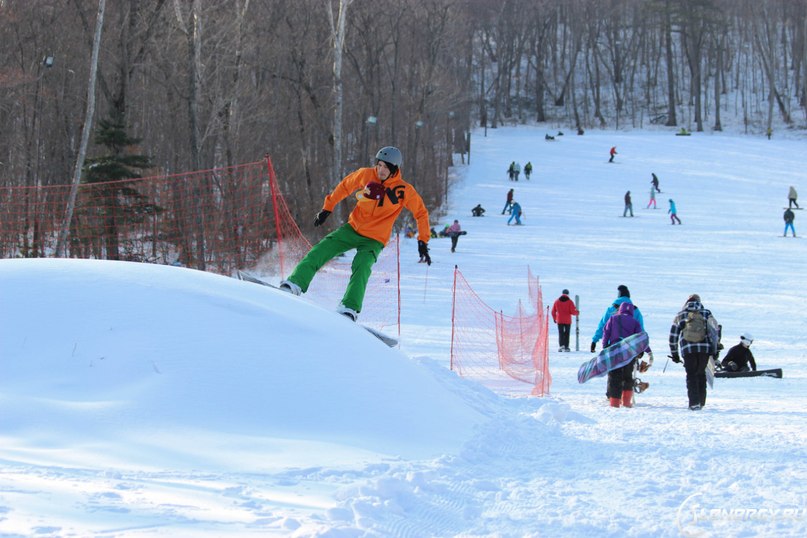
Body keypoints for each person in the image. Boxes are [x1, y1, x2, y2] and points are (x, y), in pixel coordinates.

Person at [279, 146, 431, 321]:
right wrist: (327, 208)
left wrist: (423, 241)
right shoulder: (366, 175)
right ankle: (294, 283)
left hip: (374, 239)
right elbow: (344, 187)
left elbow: (421, 213)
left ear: (394, 169)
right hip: (353, 228)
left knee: (362, 266)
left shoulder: (403, 190)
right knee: (322, 249)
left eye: (386, 168)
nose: (381, 170)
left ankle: (349, 308)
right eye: (379, 165)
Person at [668, 294, 719, 410]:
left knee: (691, 375)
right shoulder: (706, 313)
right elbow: (715, 331)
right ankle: (701, 402)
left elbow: (673, 336)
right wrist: (714, 350)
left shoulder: (681, 315)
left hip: (688, 350)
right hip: (704, 350)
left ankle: (694, 403)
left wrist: (675, 354)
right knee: (701, 374)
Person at [602, 302, 651, 408]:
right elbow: (641, 338)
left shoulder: (613, 319)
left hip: (614, 351)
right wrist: (647, 351)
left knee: (614, 376)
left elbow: (606, 333)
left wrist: (605, 347)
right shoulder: (634, 322)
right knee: (628, 376)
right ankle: (626, 402)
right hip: (629, 353)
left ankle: (614, 402)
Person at [590, 285, 645, 353]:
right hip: (630, 349)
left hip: (613, 347)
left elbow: (603, 326)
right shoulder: (635, 311)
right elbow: (641, 331)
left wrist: (594, 340)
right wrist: (642, 347)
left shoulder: (611, 310)